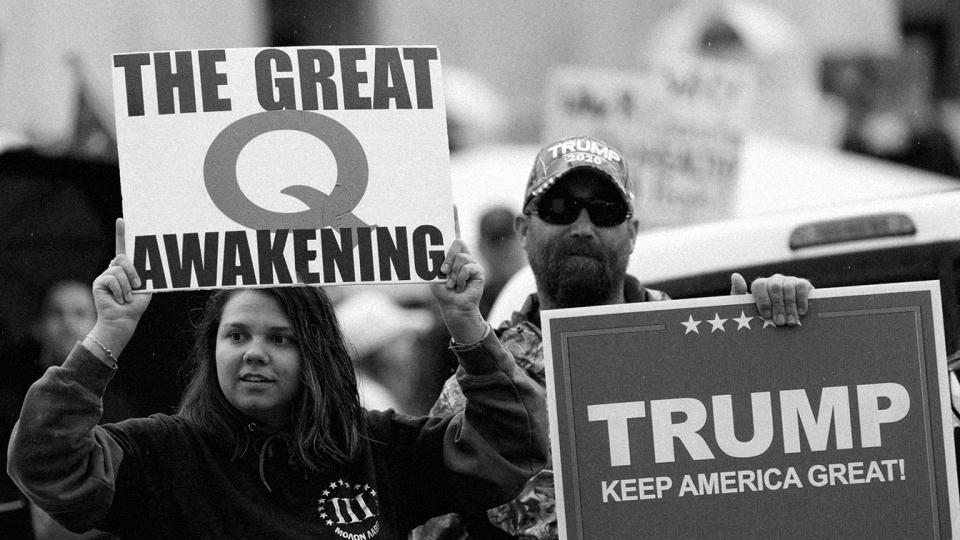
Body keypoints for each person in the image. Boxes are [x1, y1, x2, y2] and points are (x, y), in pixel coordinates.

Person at [7, 219, 548, 539]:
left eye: (280, 339)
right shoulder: (165, 454)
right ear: (211, 348)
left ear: (317, 354)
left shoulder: (379, 448)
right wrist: (107, 335)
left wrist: (467, 325)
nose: (254, 354)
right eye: (236, 336)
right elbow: (46, 464)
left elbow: (512, 445)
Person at [418, 135, 814, 539]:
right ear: (523, 230)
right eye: (560, 208)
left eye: (606, 211)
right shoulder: (481, 387)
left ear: (633, 232)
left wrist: (781, 340)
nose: (583, 227)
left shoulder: (700, 345)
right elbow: (429, 525)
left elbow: (787, 483)